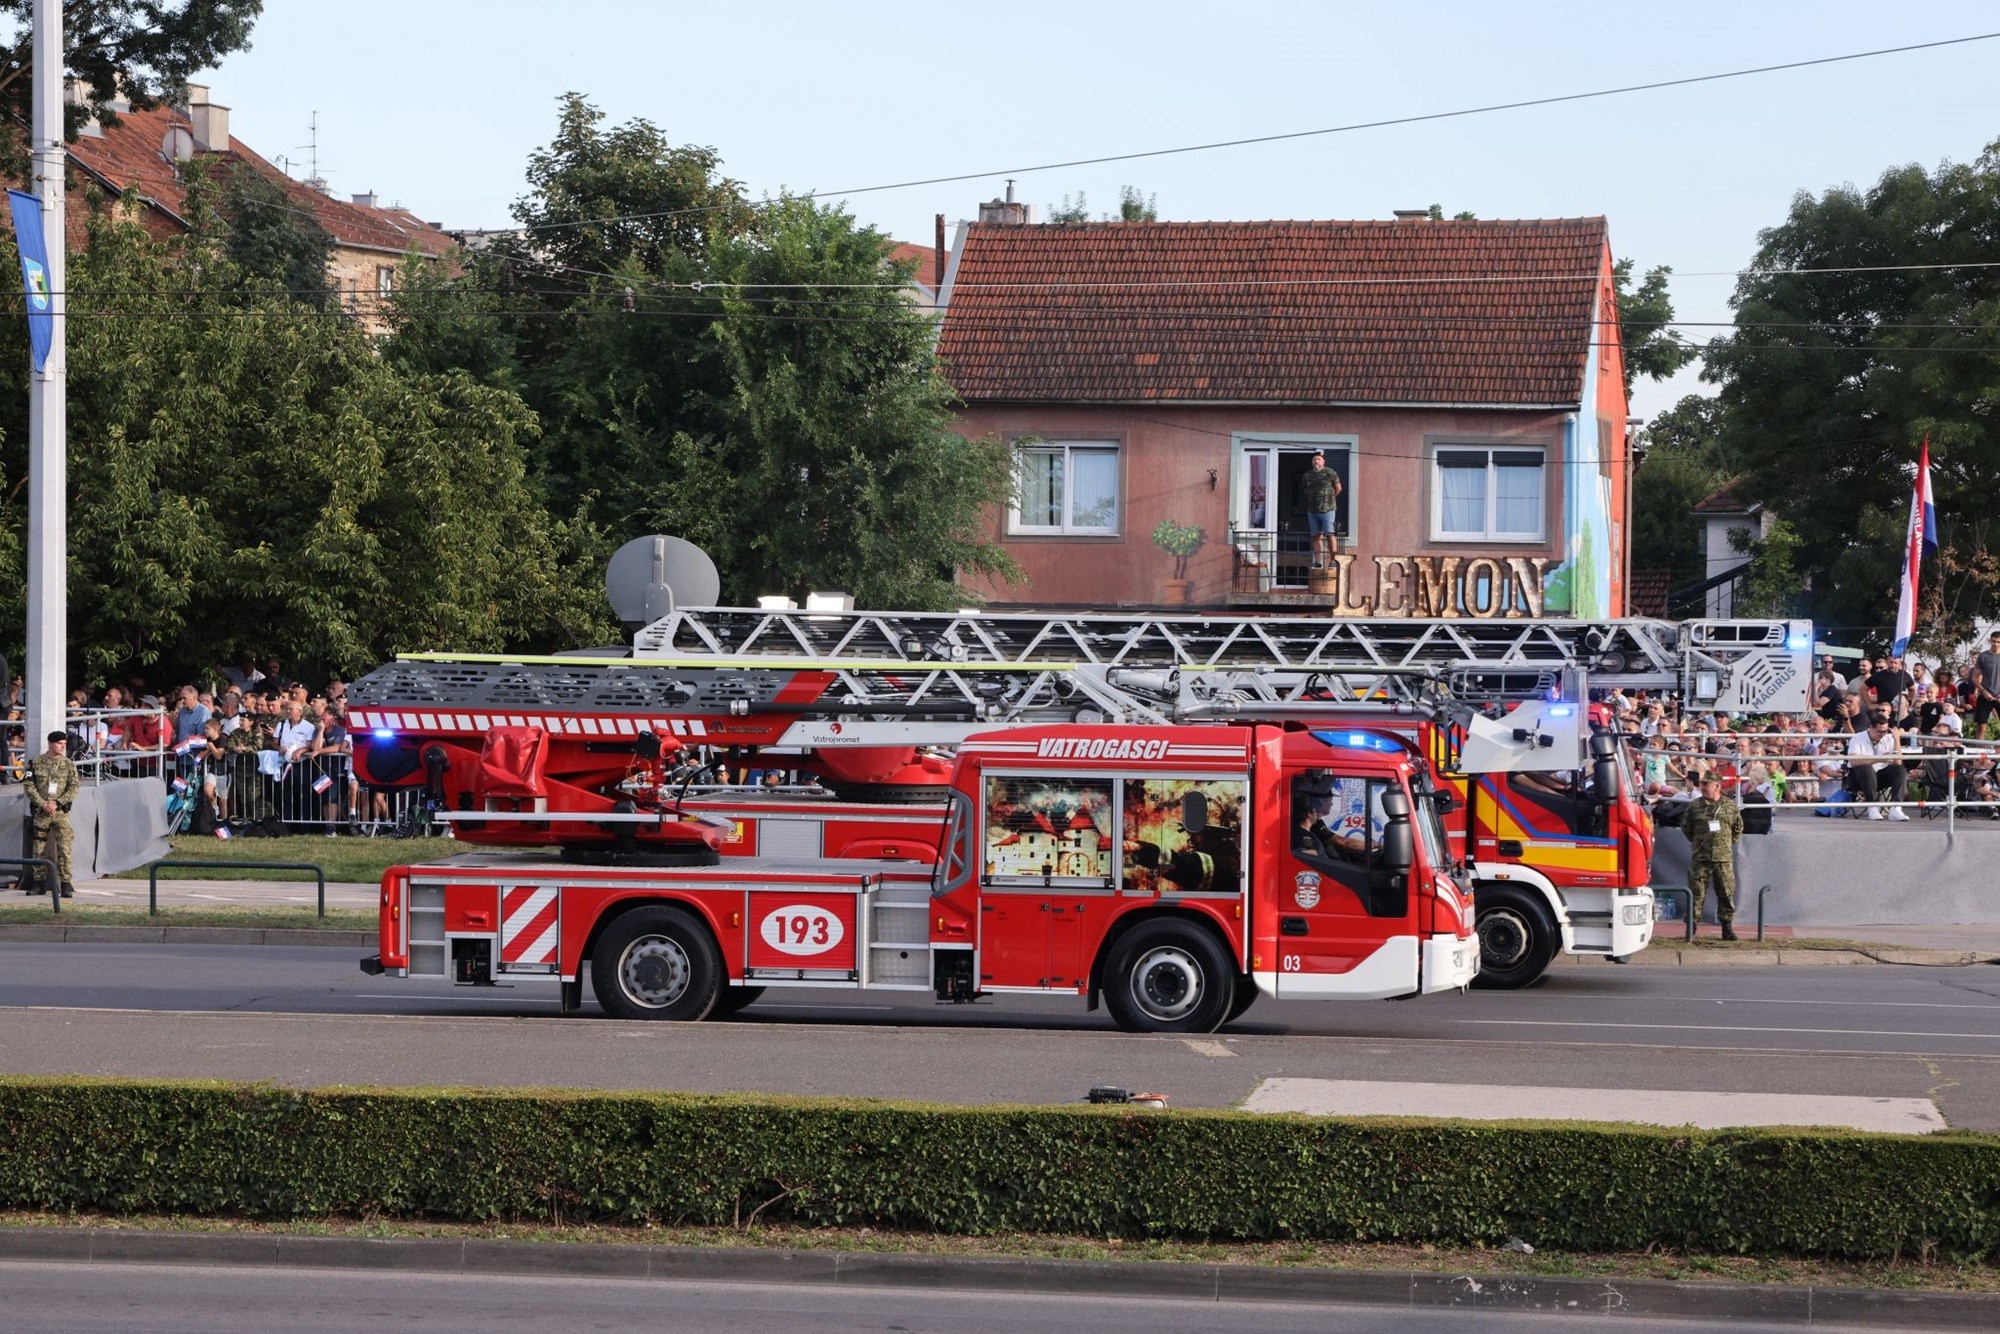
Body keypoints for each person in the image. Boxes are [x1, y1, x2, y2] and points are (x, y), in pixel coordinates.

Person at [1683, 772, 1742, 939]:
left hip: (1723, 858)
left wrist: (1724, 844)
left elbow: (1737, 828)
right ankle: (1691, 928)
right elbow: (1686, 828)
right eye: (1701, 784)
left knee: (1726, 893)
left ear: (1717, 786)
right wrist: (1700, 843)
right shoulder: (1694, 806)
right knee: (1696, 894)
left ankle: (1727, 928)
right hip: (1701, 857)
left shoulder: (1730, 806)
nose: (1701, 787)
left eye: (1706, 784)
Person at [24, 731, 79, 897]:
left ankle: (66, 883)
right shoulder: (35, 763)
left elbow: (74, 788)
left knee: (65, 848)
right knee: (38, 849)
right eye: (59, 743)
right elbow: (28, 785)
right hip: (41, 813)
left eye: (64, 744)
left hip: (60, 813)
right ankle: (38, 883)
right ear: (50, 744)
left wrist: (57, 802)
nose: (63, 746)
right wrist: (43, 803)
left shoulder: (69, 765)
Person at [1846, 713, 1911, 820]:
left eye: (1885, 731)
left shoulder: (1888, 738)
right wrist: (1879, 759)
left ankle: (1896, 808)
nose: (1882, 734)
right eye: (1879, 731)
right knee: (1866, 767)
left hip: (1879, 777)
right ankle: (1872, 806)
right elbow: (1854, 761)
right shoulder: (1857, 738)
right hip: (1859, 778)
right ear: (1870, 727)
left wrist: (1896, 739)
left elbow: (1898, 762)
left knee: (1900, 769)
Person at [1298, 450, 1343, 571]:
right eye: (1314, 459)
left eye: (1318, 459)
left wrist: (1329, 499)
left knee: (1329, 534)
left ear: (1323, 461)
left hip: (1328, 510)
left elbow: (1338, 488)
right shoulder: (1307, 475)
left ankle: (1333, 561)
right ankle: (1317, 562)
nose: (1316, 461)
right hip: (1312, 511)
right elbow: (1305, 490)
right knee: (1315, 536)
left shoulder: (1330, 472)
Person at [1972, 631, 2000, 735]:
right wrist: (1983, 691)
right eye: (1994, 641)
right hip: (1985, 695)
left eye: (1998, 642)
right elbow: (1974, 677)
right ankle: (1978, 746)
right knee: (1980, 728)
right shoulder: (1983, 656)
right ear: (1990, 641)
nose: (1996, 644)